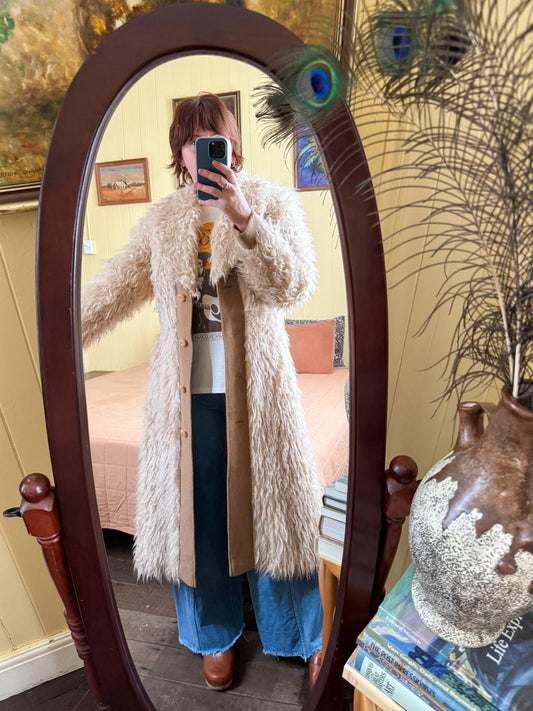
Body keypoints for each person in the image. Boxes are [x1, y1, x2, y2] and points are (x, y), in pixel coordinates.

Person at [81, 93, 323, 691]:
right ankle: (215, 633)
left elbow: (294, 286)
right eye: (191, 140)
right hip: (184, 401)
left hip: (261, 395)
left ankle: (300, 631)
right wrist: (57, 329)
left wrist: (245, 218)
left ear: (231, 145)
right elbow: (114, 288)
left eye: (212, 137)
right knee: (200, 516)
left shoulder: (271, 202)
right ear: (180, 154)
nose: (201, 150)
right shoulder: (162, 221)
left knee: (275, 508)